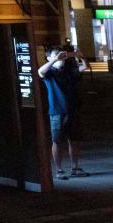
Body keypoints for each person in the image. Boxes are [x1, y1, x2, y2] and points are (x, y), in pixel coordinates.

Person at [37, 46, 89, 180]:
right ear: (49, 57)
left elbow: (84, 67)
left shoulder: (69, 71)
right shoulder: (50, 73)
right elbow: (40, 71)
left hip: (73, 110)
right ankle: (59, 170)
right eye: (56, 55)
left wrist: (79, 56)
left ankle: (75, 168)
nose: (61, 57)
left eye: (62, 55)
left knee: (74, 140)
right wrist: (54, 60)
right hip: (57, 111)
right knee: (57, 141)